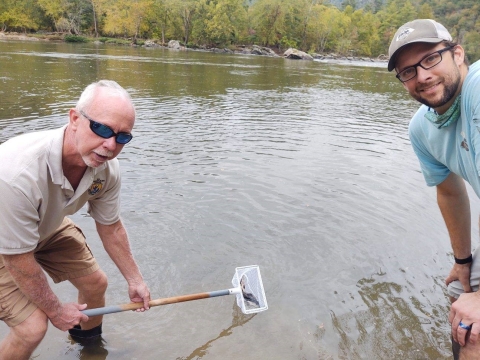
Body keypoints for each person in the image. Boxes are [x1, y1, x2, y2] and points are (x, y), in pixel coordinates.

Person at [0, 80, 151, 359]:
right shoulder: (16, 173)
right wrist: (55, 310)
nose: (110, 145)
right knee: (32, 328)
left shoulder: (107, 170)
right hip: (5, 245)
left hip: (46, 225)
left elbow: (111, 226)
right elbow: (18, 259)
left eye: (122, 137)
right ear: (74, 119)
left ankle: (90, 348)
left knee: (96, 284)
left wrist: (135, 279)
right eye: (102, 129)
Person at [388, 19, 480, 359]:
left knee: (474, 331)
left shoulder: (477, 89)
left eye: (430, 59)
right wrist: (463, 260)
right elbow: (450, 192)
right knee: (461, 305)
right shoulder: (422, 129)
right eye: (408, 71)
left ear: (457, 53)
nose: (421, 76)